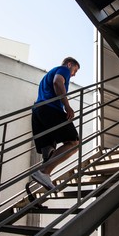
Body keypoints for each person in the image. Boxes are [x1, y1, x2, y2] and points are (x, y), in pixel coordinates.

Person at [31, 57, 80, 190]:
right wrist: (67, 106)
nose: (74, 74)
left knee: (49, 150)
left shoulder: (48, 74)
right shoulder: (63, 69)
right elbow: (58, 83)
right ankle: (44, 172)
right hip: (51, 109)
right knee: (74, 143)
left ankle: (44, 174)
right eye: (74, 70)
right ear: (70, 64)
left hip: (38, 111)